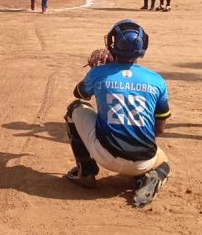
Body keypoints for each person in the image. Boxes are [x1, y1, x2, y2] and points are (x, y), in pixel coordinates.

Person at [64, 20, 172, 208]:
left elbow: (79, 94)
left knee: (75, 108)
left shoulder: (100, 73)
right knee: (164, 163)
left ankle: (86, 171)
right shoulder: (157, 80)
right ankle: (148, 176)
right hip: (143, 159)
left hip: (105, 155)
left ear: (112, 44)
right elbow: (160, 128)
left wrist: (94, 70)